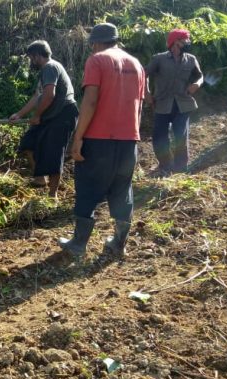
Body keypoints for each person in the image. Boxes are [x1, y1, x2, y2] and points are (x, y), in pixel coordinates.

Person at [59, 23, 146, 258]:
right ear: (116, 39)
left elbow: (90, 102)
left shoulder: (96, 60)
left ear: (96, 43)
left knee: (87, 188)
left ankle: (78, 245)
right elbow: (139, 106)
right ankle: (119, 243)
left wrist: (78, 138)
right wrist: (133, 134)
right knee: (122, 189)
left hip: (98, 141)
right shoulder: (136, 64)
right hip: (129, 140)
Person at [10, 40, 79, 197]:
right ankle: (40, 178)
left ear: (37, 56)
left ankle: (52, 194)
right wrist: (19, 114)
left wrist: (37, 116)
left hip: (63, 114)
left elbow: (49, 95)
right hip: (50, 114)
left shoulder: (50, 67)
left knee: (54, 154)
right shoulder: (45, 71)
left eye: (30, 58)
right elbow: (38, 97)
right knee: (28, 142)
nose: (30, 62)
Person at [145, 29, 203, 175]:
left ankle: (180, 167)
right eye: (184, 41)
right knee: (159, 136)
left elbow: (199, 76)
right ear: (174, 42)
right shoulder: (159, 59)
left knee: (180, 135)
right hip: (162, 103)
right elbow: (143, 75)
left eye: (187, 40)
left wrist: (196, 84)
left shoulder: (191, 59)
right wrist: (146, 93)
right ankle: (165, 165)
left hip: (183, 103)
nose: (187, 43)